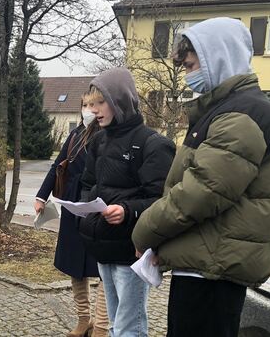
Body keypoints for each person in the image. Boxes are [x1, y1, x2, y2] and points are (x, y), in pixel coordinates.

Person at [132, 18, 270, 337]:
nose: (189, 74)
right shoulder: (228, 110)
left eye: (191, 65)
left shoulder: (242, 115)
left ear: (218, 56)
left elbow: (201, 192)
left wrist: (145, 232)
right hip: (209, 263)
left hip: (213, 270)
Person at [77, 68, 175, 337]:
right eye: (91, 104)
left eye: (100, 102)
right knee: (115, 324)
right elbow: (88, 185)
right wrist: (86, 209)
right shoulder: (98, 140)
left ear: (120, 100)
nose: (94, 110)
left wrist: (128, 211)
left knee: (128, 327)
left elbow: (163, 200)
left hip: (131, 250)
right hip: (103, 247)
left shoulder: (153, 144)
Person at [35, 93, 108, 337]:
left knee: (102, 268)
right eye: (84, 105)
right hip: (71, 202)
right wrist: (41, 196)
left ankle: (100, 327)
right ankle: (83, 319)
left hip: (97, 204)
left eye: (93, 105)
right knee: (75, 265)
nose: (88, 110)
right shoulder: (75, 134)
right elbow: (59, 164)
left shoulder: (109, 134)